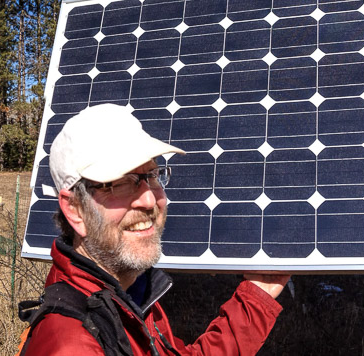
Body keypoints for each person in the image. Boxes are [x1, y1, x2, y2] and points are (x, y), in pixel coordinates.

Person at [19, 104, 288, 356]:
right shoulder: (73, 345)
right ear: (75, 209)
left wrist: (256, 298)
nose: (150, 200)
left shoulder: (130, 294)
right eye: (120, 183)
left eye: (152, 176)